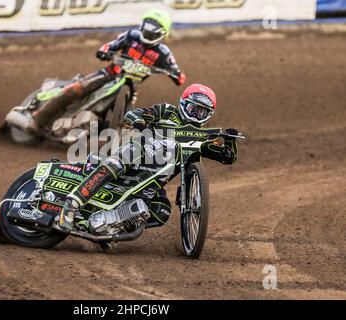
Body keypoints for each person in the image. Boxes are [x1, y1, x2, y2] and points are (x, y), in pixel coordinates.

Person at [58, 83, 239, 230]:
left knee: (162, 211)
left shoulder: (202, 138)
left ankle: (110, 226)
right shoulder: (167, 111)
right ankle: (71, 204)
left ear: (209, 115)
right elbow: (133, 114)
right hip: (139, 155)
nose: (196, 115)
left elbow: (227, 157)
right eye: (193, 109)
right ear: (183, 104)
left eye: (202, 112)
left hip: (152, 183)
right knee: (121, 161)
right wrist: (139, 123)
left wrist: (230, 140)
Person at [26, 8, 186, 135]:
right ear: (142, 25)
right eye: (147, 29)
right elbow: (110, 45)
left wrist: (176, 75)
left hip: (132, 86)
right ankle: (37, 120)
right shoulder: (132, 36)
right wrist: (104, 51)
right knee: (75, 89)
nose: (148, 33)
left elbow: (179, 75)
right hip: (110, 73)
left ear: (162, 34)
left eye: (153, 31)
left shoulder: (164, 54)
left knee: (131, 120)